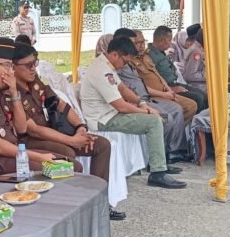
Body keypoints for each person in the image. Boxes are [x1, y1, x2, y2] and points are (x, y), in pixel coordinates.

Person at [11, 42, 120, 217]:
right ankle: (72, 209)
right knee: (67, 153)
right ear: (13, 67)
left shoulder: (35, 82)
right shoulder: (11, 92)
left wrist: (80, 127)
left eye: (35, 63)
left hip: (55, 131)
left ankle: (98, 203)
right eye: (28, 65)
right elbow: (34, 130)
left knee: (101, 145)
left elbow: (60, 104)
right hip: (31, 141)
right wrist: (71, 140)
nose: (33, 68)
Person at [80, 37, 186, 189]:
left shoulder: (106, 65)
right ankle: (158, 172)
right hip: (103, 119)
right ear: (115, 55)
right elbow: (121, 106)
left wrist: (141, 102)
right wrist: (146, 110)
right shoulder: (101, 70)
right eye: (124, 61)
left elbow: (122, 88)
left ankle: (158, 163)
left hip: (111, 114)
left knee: (157, 117)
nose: (124, 65)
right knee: (154, 121)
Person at [0, 38, 70, 175]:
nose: (11, 72)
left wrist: (14, 94)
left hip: (13, 153)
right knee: (63, 169)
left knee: (70, 164)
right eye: (7, 66)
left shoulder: (0, 92)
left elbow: (21, 128)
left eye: (11, 66)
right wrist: (38, 157)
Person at [112, 28, 189, 162]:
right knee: (166, 117)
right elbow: (122, 89)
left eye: (141, 42)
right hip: (138, 100)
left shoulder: (135, 59)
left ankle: (175, 150)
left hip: (146, 98)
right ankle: (161, 156)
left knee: (177, 109)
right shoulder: (118, 63)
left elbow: (154, 76)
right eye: (135, 43)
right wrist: (142, 103)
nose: (138, 46)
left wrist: (167, 90)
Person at [130, 30, 198, 124]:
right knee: (179, 108)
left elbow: (158, 75)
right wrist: (164, 94)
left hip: (165, 91)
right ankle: (172, 129)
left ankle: (177, 128)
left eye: (142, 41)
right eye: (137, 43)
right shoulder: (130, 62)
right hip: (153, 96)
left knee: (192, 104)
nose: (141, 45)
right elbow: (139, 87)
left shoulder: (145, 57)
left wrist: (169, 90)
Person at [147, 25, 207, 111]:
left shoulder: (161, 53)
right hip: (167, 88)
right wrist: (170, 89)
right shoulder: (150, 56)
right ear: (161, 41)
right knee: (198, 98)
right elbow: (152, 80)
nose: (171, 43)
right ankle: (195, 119)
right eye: (169, 40)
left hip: (175, 83)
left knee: (203, 95)